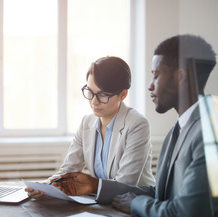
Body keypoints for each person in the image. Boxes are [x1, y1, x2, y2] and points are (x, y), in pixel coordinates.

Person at [56, 35, 218, 217]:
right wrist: (95, 185)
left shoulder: (216, 134)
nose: (150, 86)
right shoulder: (181, 127)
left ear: (180, 77)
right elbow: (162, 195)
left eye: (156, 76)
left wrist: (136, 203)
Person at [25, 56, 155, 199]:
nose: (94, 102)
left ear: (123, 94)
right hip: (101, 204)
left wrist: (90, 186)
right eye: (90, 92)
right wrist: (45, 187)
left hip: (134, 205)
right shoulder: (87, 123)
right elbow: (69, 169)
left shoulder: (137, 124)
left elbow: (125, 183)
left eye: (103, 95)